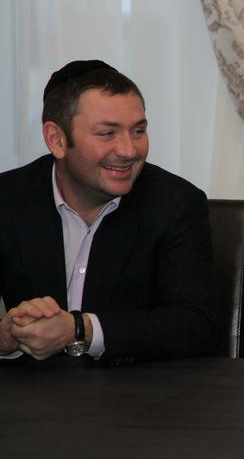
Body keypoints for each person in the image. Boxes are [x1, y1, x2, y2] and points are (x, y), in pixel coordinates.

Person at [0, 61, 219, 364]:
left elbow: (197, 325)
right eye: (107, 133)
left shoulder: (175, 203)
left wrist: (80, 328)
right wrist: (6, 337)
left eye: (138, 131)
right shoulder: (8, 199)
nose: (129, 150)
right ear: (57, 139)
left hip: (135, 389)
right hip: (33, 389)